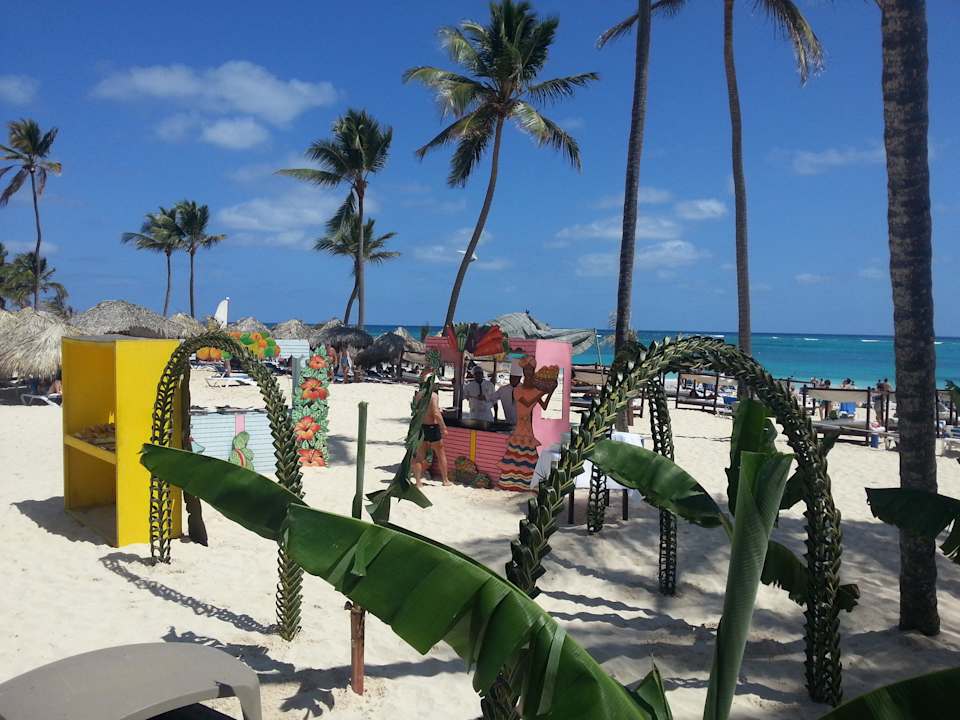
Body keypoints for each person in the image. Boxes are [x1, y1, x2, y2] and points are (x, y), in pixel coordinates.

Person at [498, 356, 556, 491]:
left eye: (531, 370)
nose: (528, 372)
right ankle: (514, 483)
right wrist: (542, 391)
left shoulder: (535, 390)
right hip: (520, 427)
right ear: (523, 372)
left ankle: (529, 483)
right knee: (518, 455)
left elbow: (545, 406)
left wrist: (550, 392)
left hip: (528, 427)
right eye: (526, 370)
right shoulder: (517, 390)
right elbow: (527, 403)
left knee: (527, 456)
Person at [412, 369, 449, 487]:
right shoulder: (433, 396)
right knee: (440, 452)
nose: (437, 386)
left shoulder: (418, 394)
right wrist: (443, 427)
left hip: (421, 427)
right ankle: (445, 480)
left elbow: (417, 410)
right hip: (432, 427)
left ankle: (418, 482)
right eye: (436, 384)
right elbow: (436, 414)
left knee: (419, 456)